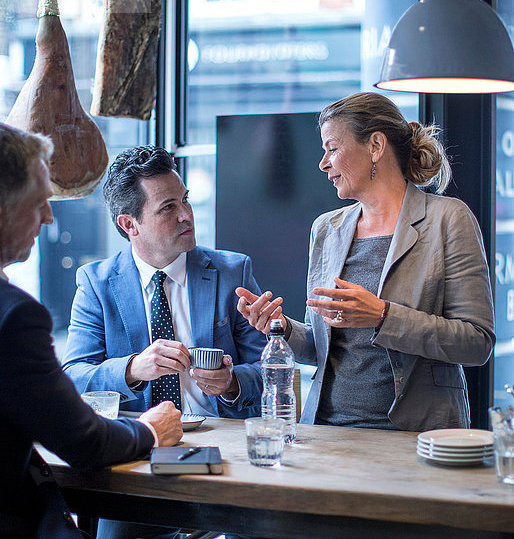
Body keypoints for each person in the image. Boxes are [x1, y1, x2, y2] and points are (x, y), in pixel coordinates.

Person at [236, 91, 495, 433]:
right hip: (329, 430)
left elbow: (477, 343)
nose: (323, 163)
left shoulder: (448, 219)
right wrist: (281, 327)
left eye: (332, 148)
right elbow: (320, 347)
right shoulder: (326, 229)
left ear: (375, 145)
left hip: (418, 434)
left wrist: (383, 316)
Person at [62, 146, 267, 538]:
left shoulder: (231, 270)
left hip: (225, 454)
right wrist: (133, 368)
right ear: (129, 224)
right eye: (168, 207)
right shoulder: (96, 283)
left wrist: (233, 383)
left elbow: (273, 369)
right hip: (141, 456)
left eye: (185, 200)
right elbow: (74, 376)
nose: (187, 215)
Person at [0, 123, 183, 539]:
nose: (49, 217)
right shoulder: (15, 317)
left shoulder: (231, 270)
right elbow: (83, 442)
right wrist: (153, 430)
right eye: (39, 202)